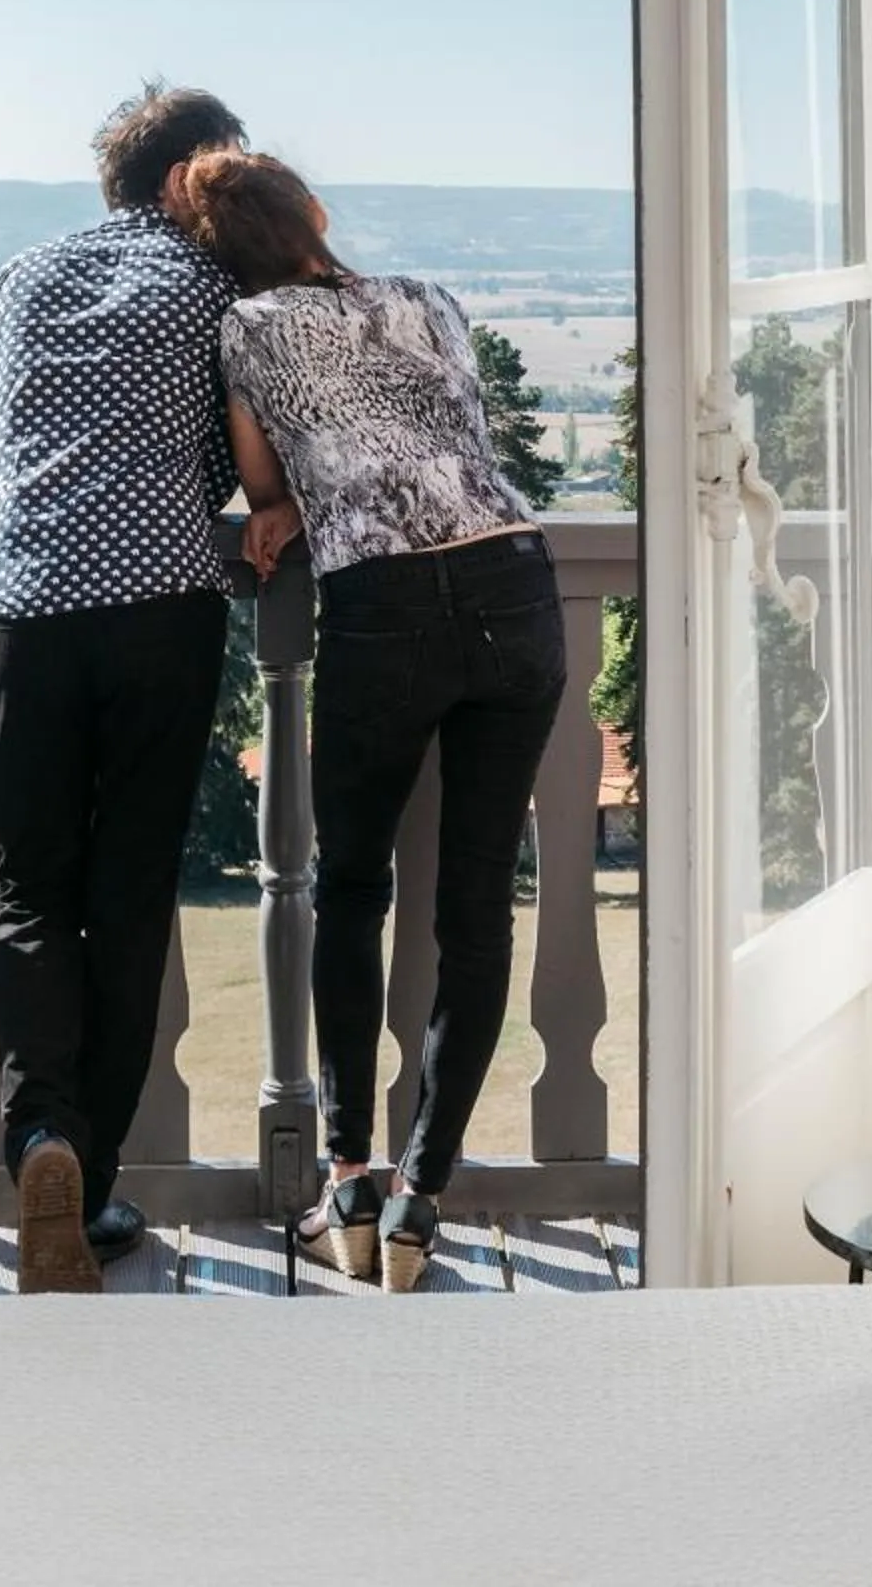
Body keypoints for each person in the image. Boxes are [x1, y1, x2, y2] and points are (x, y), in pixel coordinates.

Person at [178, 148, 567, 1292]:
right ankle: (419, 1205)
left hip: (382, 603)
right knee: (475, 906)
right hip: (512, 580)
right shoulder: (428, 297)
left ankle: (347, 1184)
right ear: (313, 214)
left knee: (348, 889)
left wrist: (289, 506)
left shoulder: (246, 329)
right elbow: (454, 441)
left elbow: (264, 485)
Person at [0, 83, 246, 1294]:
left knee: (32, 892)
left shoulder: (18, 276)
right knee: (128, 894)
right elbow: (223, 461)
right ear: (197, 177)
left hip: (22, 606)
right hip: (158, 607)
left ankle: (40, 1135)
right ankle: (88, 1184)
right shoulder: (216, 288)